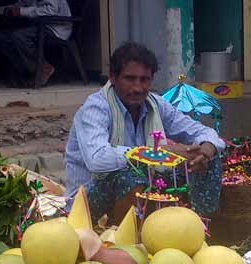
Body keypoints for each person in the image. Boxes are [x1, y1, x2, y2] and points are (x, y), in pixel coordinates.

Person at [64, 42, 225, 222]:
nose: (138, 88)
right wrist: (158, 154)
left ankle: (203, 227)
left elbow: (201, 131)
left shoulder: (155, 104)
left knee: (207, 159)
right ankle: (125, 237)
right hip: (87, 202)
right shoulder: (96, 108)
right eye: (130, 79)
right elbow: (97, 159)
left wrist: (207, 147)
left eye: (144, 79)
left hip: (143, 183)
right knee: (129, 176)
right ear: (112, 78)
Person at [0, 0, 72, 86]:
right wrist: (0, 10)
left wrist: (21, 11)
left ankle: (43, 68)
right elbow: (21, 4)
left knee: (19, 36)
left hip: (55, 28)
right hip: (38, 27)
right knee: (2, 37)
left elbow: (51, 10)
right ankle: (26, 70)